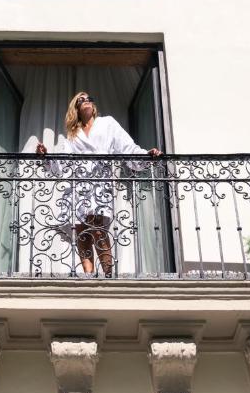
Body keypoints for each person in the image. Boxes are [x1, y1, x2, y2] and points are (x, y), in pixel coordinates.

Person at [36, 91, 161, 276]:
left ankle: (108, 275)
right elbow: (61, 164)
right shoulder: (72, 135)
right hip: (77, 187)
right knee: (82, 232)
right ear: (76, 107)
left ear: (93, 105)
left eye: (89, 99)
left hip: (99, 185)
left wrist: (146, 156)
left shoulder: (108, 123)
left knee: (98, 230)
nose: (86, 101)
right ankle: (88, 274)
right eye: (81, 99)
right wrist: (45, 157)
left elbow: (127, 148)